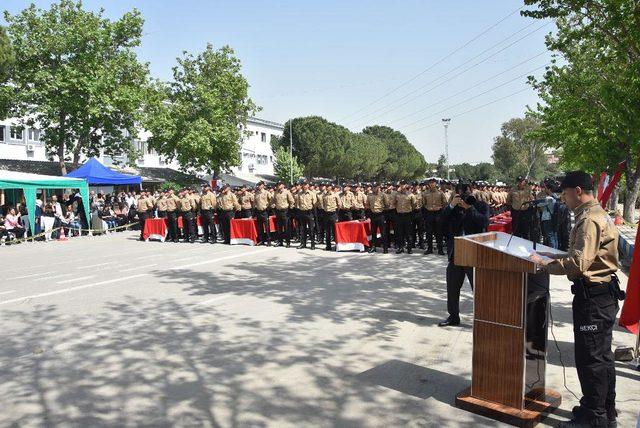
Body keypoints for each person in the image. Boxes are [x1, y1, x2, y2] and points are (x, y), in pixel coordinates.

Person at [530, 171, 623, 428]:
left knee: (590, 359)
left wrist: (545, 265)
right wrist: (553, 255)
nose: (563, 197)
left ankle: (594, 417)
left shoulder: (589, 219)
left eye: (565, 192)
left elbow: (579, 264)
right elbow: (584, 254)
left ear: (578, 191)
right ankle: (604, 410)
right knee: (601, 356)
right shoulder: (595, 213)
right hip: (601, 295)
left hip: (593, 297)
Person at [438, 182, 490, 327]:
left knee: (478, 289)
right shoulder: (453, 208)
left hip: (474, 254)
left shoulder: (480, 206)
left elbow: (485, 222)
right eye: (462, 195)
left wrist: (469, 208)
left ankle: (483, 320)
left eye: (467, 193)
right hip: (456, 254)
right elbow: (441, 221)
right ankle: (453, 316)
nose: (465, 198)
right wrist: (451, 206)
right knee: (452, 287)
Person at [422, 178, 448, 255]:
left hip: (438, 214)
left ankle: (440, 249)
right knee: (429, 232)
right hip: (429, 214)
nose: (432, 184)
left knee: (439, 232)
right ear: (429, 184)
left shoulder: (440, 193)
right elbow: (423, 204)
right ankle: (429, 249)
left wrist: (441, 213)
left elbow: (445, 203)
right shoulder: (425, 193)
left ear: (436, 184)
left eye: (433, 183)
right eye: (430, 183)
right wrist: (425, 215)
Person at [507, 176, 534, 240]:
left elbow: (532, 199)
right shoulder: (512, 190)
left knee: (525, 232)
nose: (521, 183)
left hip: (525, 213)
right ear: (517, 182)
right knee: (516, 232)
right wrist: (515, 205)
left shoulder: (528, 189)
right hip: (516, 213)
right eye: (519, 181)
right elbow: (508, 200)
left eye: (522, 181)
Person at [394, 181, 416, 254]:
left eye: (404, 184)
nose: (402, 185)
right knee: (399, 233)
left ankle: (409, 248)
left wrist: (409, 211)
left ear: (406, 185)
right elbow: (394, 204)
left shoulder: (411, 195)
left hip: (407, 215)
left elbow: (414, 205)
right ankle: (400, 247)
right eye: (401, 184)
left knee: (408, 232)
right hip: (399, 215)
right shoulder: (396, 195)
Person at [366, 183, 387, 253]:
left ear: (379, 187)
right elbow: (367, 205)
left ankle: (385, 248)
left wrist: (381, 209)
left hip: (381, 215)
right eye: (373, 187)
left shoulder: (383, 195)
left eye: (376, 187)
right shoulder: (369, 195)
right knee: (373, 232)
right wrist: (371, 209)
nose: (374, 188)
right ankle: (373, 247)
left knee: (383, 232)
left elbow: (387, 205)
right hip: (373, 215)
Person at [295, 181, 317, 250]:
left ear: (308, 185)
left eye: (305, 185)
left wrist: (312, 212)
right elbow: (298, 204)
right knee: (302, 229)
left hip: (309, 212)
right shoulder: (299, 194)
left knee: (311, 229)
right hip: (302, 212)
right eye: (303, 185)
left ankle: (312, 244)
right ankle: (303, 243)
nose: (304, 186)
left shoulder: (312, 193)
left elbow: (314, 204)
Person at [273, 181, 295, 247]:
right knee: (279, 228)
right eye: (277, 185)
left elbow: (292, 201)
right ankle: (280, 241)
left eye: (279, 185)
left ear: (283, 185)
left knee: (286, 227)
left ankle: (288, 242)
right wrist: (274, 206)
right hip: (278, 211)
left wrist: (289, 209)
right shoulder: (276, 192)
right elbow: (274, 201)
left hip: (285, 211)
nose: (278, 186)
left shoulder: (287, 192)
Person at [322, 183, 341, 251]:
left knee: (335, 231)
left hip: (333, 214)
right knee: (327, 231)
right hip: (326, 214)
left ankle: (337, 245)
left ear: (331, 187)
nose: (327, 187)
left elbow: (339, 205)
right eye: (326, 186)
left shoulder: (335, 195)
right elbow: (323, 204)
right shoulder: (324, 195)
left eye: (328, 186)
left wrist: (336, 213)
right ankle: (328, 246)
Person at [254, 181, 273, 246]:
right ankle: (261, 240)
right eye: (258, 185)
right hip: (258, 211)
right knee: (260, 227)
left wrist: (268, 207)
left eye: (259, 185)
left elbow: (271, 200)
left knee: (267, 227)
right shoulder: (256, 193)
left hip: (265, 211)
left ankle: (268, 240)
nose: (258, 186)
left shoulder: (267, 192)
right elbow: (255, 202)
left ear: (262, 185)